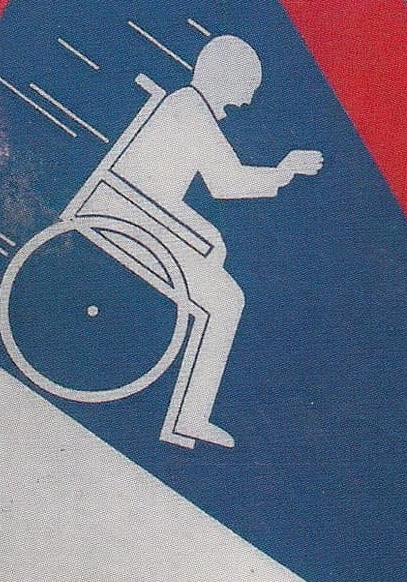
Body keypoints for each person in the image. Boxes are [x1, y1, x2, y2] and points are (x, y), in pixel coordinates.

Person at [103, 34, 321, 448]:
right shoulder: (191, 108)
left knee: (216, 259)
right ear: (223, 78)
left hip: (137, 212)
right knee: (226, 300)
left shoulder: (187, 105)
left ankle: (189, 417)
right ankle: (187, 420)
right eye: (245, 89)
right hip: (134, 220)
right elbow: (226, 182)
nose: (246, 103)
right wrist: (284, 171)